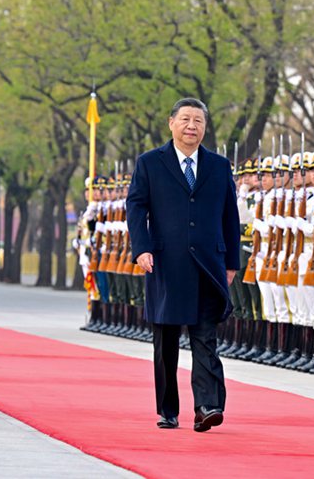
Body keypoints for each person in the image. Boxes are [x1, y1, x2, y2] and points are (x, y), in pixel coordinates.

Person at [127, 97, 241, 432]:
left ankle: (207, 405)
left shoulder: (219, 166)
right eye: (186, 120)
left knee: (205, 337)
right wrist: (142, 248)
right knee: (166, 342)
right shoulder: (150, 163)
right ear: (171, 123)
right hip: (166, 263)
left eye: (199, 121)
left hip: (209, 265)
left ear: (205, 127)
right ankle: (168, 408)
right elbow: (136, 207)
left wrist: (231, 261)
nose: (192, 127)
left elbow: (229, 215)